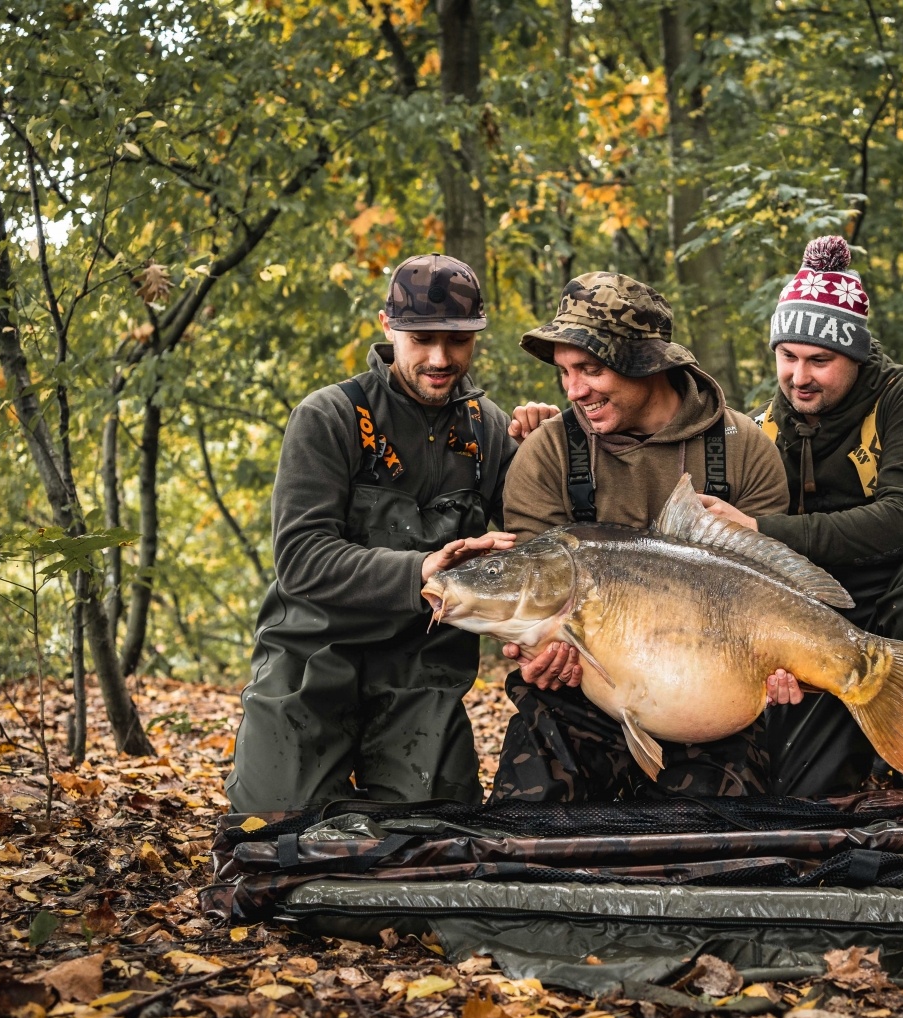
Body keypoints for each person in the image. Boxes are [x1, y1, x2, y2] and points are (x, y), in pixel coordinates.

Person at [225, 254, 557, 812]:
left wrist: (549, 450)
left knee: (434, 837)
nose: (439, 358)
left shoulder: (490, 429)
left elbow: (544, 545)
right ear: (388, 328)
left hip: (422, 673)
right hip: (312, 659)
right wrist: (421, 569)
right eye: (421, 338)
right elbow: (301, 559)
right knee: (277, 828)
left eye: (457, 341)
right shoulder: (329, 416)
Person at [701, 235, 903, 795]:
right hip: (827, 631)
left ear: (858, 355)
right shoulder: (759, 430)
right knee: (805, 792)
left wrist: (761, 529)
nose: (800, 377)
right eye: (787, 357)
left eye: (820, 360)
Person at [488, 271, 792, 802]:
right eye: (564, 373)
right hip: (578, 699)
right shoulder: (547, 454)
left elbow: (773, 591)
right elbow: (531, 598)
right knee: (527, 829)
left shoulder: (744, 448)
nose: (574, 391)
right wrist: (536, 651)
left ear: (647, 365)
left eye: (591, 369)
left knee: (716, 856)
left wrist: (781, 667)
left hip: (708, 707)